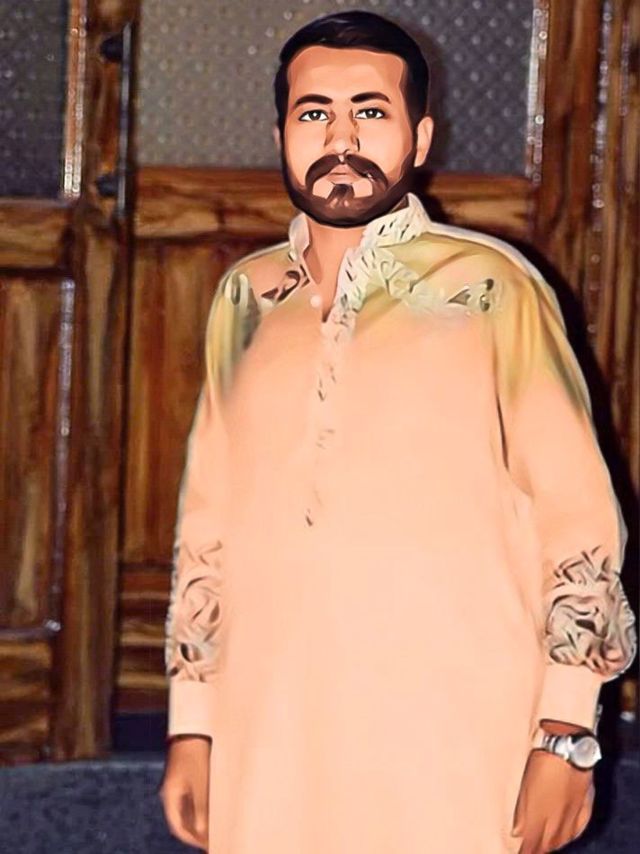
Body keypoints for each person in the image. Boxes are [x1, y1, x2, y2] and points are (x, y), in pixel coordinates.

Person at [159, 11, 637, 853]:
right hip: (271, 731)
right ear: (281, 136)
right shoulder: (247, 297)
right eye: (314, 113)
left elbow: (579, 518)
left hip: (451, 735)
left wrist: (566, 728)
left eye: (370, 112)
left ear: (419, 139)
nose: (340, 139)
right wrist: (192, 722)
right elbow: (209, 523)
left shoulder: (491, 290)